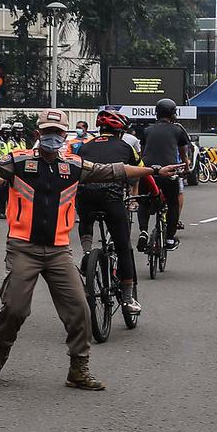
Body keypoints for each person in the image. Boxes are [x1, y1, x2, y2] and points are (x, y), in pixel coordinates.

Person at [0, 109, 183, 389]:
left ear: (65, 136)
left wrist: (155, 170)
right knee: (14, 308)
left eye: (58, 133)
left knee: (80, 310)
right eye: (48, 132)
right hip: (23, 248)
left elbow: (114, 170)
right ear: (38, 134)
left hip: (59, 251)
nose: (53, 137)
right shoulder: (18, 161)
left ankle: (78, 369)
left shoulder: (74, 165)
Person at [75, 109, 142, 316]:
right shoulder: (126, 147)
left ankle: (86, 253)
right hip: (112, 200)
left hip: (85, 197)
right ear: (120, 130)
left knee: (85, 218)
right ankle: (128, 299)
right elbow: (137, 171)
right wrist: (133, 192)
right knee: (124, 248)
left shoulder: (84, 147)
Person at [141, 98, 193, 250]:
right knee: (173, 204)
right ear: (173, 114)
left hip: (149, 171)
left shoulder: (147, 130)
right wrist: (186, 169)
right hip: (169, 171)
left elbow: (143, 152)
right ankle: (170, 239)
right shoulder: (178, 130)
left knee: (144, 203)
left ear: (156, 113)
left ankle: (143, 231)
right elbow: (184, 155)